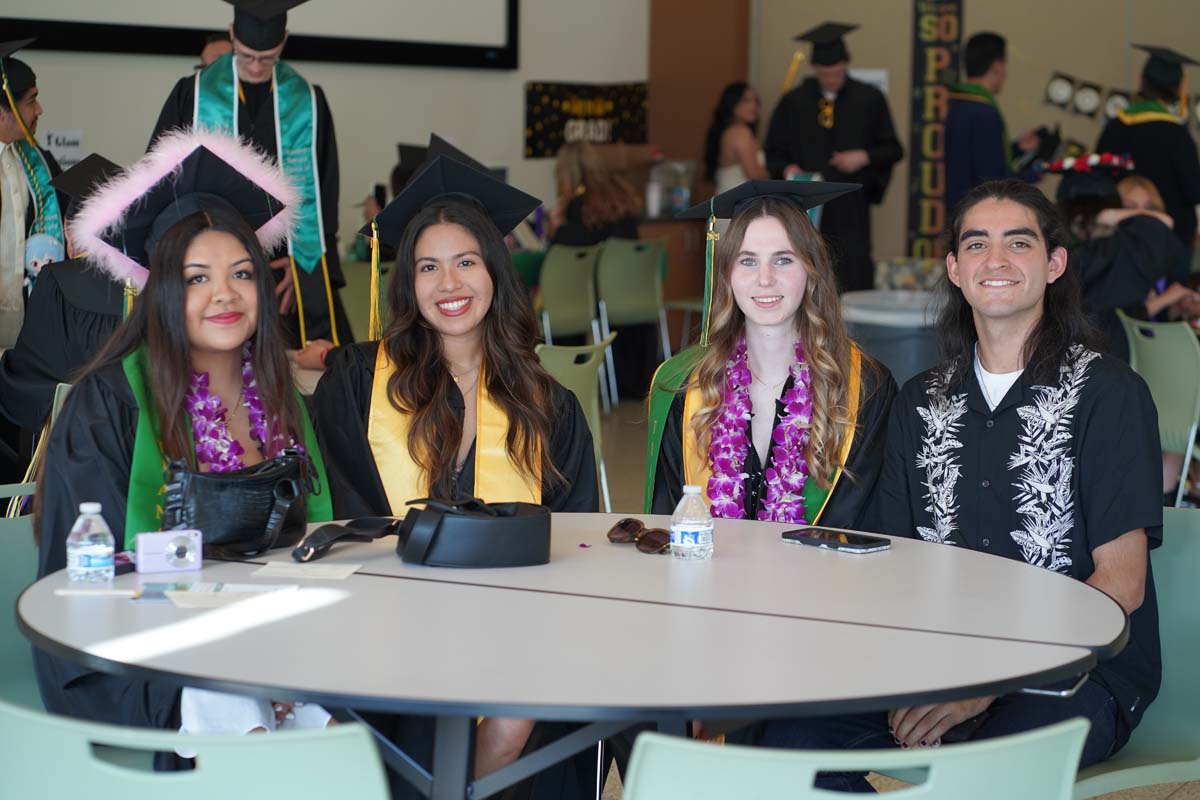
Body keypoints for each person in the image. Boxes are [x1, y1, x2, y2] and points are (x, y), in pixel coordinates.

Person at [758, 179, 1161, 789]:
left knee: (978, 774)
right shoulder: (921, 401)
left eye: (1017, 243)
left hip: (1075, 681)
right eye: (976, 245)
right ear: (954, 267)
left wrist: (987, 686)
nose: (995, 261)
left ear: (1054, 264)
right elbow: (892, 566)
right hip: (941, 665)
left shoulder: (1109, 393)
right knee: (790, 740)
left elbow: (1121, 586)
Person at [34, 131, 334, 745]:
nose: (224, 294)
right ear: (164, 292)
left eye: (242, 273)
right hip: (146, 660)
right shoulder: (110, 407)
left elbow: (323, 548)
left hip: (282, 639)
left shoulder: (285, 401)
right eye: (198, 278)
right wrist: (235, 653)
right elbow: (86, 584)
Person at [312, 147, 598, 783]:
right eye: (429, 267)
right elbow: (339, 522)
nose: (449, 285)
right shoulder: (357, 384)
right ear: (407, 283)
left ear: (495, 272)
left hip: (520, 631)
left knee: (537, 709)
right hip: (386, 636)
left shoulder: (550, 405)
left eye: (466, 262)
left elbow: (580, 540)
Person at [647, 180, 895, 526]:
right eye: (747, 261)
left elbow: (867, 524)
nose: (765, 279)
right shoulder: (686, 388)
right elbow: (669, 525)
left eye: (783, 260)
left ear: (811, 272)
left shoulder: (864, 387)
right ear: (727, 276)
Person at [149, 0, 352, 348]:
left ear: (284, 41)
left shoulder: (308, 101)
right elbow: (161, 182)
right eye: (246, 57)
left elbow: (323, 189)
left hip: (284, 274)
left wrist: (305, 267)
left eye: (268, 58)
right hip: (210, 265)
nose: (257, 66)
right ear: (232, 36)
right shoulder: (193, 94)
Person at [763, 22, 903, 293]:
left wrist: (863, 156)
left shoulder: (869, 99)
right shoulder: (794, 102)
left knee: (852, 274)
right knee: (806, 272)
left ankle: (852, 335)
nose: (831, 80)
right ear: (815, 70)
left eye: (836, 73)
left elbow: (893, 149)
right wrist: (787, 169)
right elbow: (773, 152)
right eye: (824, 74)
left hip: (850, 206)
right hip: (807, 210)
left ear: (846, 64)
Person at [0, 154, 123, 440]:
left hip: (70, 443)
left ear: (70, 231)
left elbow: (30, 373)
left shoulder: (57, 280)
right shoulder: (146, 282)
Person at [1097, 44, 1200, 284]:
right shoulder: (1177, 134)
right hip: (1171, 240)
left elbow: (1100, 177)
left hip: (1122, 236)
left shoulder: (1116, 126)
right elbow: (1194, 190)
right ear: (1178, 88)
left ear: (1141, 80)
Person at [0, 39, 64, 349]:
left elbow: (72, 206)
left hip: (25, 330)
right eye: (31, 100)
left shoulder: (38, 160)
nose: (40, 110)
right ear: (3, 112)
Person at [944, 32, 1053, 213]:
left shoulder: (959, 104)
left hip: (960, 210)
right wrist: (1036, 172)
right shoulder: (984, 112)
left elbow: (976, 159)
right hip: (980, 214)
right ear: (998, 66)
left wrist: (1017, 148)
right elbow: (993, 182)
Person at [548, 140, 642, 246]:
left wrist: (558, 225)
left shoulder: (577, 204)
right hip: (629, 260)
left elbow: (565, 253)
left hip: (601, 261)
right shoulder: (618, 190)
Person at [704, 82, 770, 196]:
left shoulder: (729, 132)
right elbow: (754, 177)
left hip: (731, 203)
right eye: (746, 100)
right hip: (737, 206)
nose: (753, 106)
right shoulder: (740, 133)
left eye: (755, 101)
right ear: (731, 104)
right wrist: (769, 174)